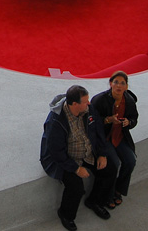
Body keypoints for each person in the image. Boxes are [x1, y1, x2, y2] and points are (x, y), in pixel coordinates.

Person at [40, 85, 116, 230]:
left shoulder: (88, 109)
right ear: (75, 104)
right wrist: (75, 168)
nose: (89, 103)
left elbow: (99, 130)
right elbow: (56, 152)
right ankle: (66, 215)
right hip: (66, 160)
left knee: (110, 169)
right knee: (75, 187)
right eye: (85, 101)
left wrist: (102, 154)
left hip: (87, 152)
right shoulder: (55, 121)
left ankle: (94, 201)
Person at [91, 72, 138, 209]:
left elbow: (134, 119)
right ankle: (108, 195)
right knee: (114, 164)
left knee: (130, 161)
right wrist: (108, 120)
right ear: (110, 84)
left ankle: (119, 190)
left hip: (119, 137)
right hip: (105, 139)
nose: (119, 86)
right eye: (116, 82)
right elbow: (92, 123)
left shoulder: (129, 101)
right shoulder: (99, 100)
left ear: (126, 87)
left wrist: (128, 122)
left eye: (122, 83)